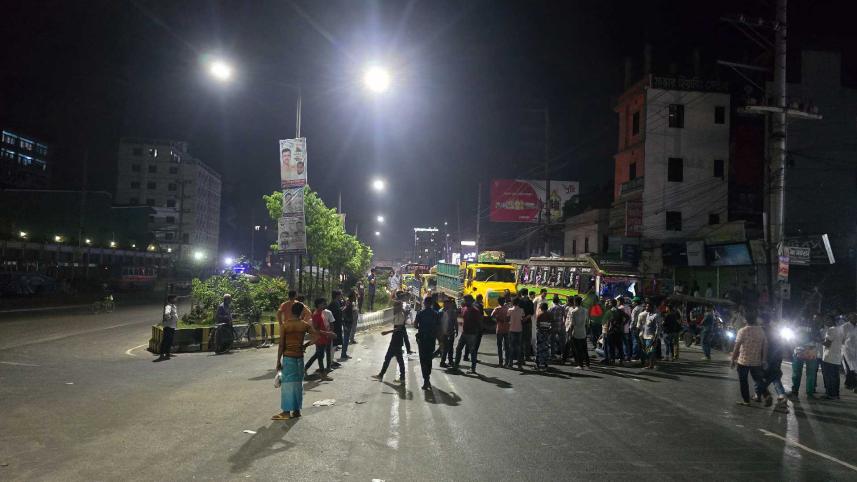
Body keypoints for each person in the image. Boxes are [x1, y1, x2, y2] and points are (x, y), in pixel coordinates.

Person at [272, 302, 320, 420]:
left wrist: (278, 361)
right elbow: (317, 336)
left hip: (289, 357)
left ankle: (286, 412)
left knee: (288, 385)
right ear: (301, 312)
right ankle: (297, 410)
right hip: (299, 357)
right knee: (298, 384)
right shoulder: (304, 325)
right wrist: (306, 345)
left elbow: (281, 345)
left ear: (291, 311)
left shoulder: (285, 325)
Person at [731, 315, 767, 406]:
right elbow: (765, 346)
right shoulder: (761, 330)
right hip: (756, 361)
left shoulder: (742, 331)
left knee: (743, 381)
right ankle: (766, 394)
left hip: (743, 361)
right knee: (758, 380)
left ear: (745, 320)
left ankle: (746, 401)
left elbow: (737, 346)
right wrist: (764, 359)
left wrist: (733, 359)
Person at [758, 315, 789, 412]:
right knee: (775, 377)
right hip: (776, 358)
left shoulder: (762, 330)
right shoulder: (778, 332)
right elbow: (783, 346)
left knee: (760, 378)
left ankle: (759, 394)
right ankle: (782, 396)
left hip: (766, 358)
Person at [372, 301, 408, 383]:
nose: (394, 308)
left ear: (399, 307)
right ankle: (401, 377)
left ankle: (381, 375)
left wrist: (387, 332)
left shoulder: (400, 315)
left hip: (397, 339)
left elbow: (399, 328)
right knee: (397, 359)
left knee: (390, 358)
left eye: (395, 306)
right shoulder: (398, 314)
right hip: (397, 339)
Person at [789, 313, 822, 398]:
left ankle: (795, 391)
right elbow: (818, 339)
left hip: (799, 350)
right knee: (810, 373)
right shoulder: (815, 327)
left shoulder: (798, 325)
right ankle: (809, 394)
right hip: (811, 351)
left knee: (797, 373)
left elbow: (792, 338)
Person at [414, 296, 441, 389]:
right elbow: (438, 328)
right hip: (431, 339)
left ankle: (426, 380)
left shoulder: (420, 313)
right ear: (432, 303)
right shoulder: (436, 314)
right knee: (429, 359)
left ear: (425, 303)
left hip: (422, 340)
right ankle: (427, 378)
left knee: (423, 360)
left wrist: (421, 328)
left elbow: (415, 325)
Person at [304, 298, 334, 378]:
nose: (325, 305)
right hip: (320, 338)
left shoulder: (321, 313)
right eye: (323, 303)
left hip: (323, 338)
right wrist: (328, 333)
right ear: (318, 305)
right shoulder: (317, 314)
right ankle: (323, 375)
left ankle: (305, 368)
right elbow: (316, 330)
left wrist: (328, 333)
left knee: (317, 355)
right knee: (320, 356)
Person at [455, 295, 481, 374]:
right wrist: (460, 330)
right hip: (465, 333)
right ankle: (456, 366)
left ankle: (473, 368)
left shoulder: (475, 310)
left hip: (471, 334)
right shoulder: (463, 309)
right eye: (465, 300)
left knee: (472, 351)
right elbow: (460, 320)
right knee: (458, 349)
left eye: (466, 300)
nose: (465, 301)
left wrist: (477, 332)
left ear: (471, 301)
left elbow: (478, 322)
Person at [821, 316, 845, 400]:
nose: (825, 321)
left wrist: (819, 340)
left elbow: (827, 343)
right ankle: (836, 394)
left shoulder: (831, 329)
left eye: (827, 320)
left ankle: (830, 394)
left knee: (829, 377)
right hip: (837, 357)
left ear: (831, 320)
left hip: (829, 357)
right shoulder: (841, 329)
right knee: (836, 377)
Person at [566, 296, 590, 368]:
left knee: (577, 349)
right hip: (583, 330)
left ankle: (580, 364)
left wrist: (570, 333)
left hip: (576, 331)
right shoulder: (585, 310)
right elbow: (587, 322)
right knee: (584, 348)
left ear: (575, 302)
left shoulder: (573, 311)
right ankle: (587, 363)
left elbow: (572, 324)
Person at [156, 295, 179, 362]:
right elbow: (166, 314)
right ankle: (162, 352)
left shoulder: (173, 306)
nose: (176, 300)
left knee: (170, 340)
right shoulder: (168, 306)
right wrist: (170, 318)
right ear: (171, 299)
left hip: (172, 325)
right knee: (166, 339)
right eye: (174, 299)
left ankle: (167, 352)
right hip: (168, 326)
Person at [464, 294, 485, 362]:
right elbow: (481, 317)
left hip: (468, 327)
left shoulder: (471, 305)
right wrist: (481, 327)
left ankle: (466, 356)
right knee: (476, 344)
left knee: (468, 342)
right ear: (480, 299)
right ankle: (474, 359)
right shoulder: (480, 306)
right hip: (476, 328)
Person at [641, 303, 661, 369]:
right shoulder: (648, 315)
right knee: (648, 351)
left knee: (650, 351)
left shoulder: (656, 316)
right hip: (645, 336)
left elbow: (658, 327)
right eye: (646, 306)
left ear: (652, 308)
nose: (646, 307)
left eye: (648, 306)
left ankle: (651, 364)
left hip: (651, 337)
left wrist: (655, 338)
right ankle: (651, 364)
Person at [439, 298, 458, 368]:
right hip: (443, 333)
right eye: (446, 304)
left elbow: (455, 322)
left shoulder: (452, 312)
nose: (447, 305)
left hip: (450, 332)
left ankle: (450, 361)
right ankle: (443, 361)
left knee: (450, 348)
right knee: (445, 348)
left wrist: (456, 330)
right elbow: (438, 323)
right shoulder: (440, 312)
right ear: (444, 304)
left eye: (449, 304)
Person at [493, 296, 511, 368]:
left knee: (499, 346)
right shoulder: (508, 309)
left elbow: (492, 316)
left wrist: (497, 321)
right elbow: (510, 318)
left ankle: (501, 362)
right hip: (507, 329)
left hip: (499, 329)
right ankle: (507, 362)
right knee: (507, 346)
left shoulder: (497, 309)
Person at [535, 302, 553, 370]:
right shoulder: (549, 314)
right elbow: (551, 323)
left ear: (541, 308)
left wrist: (540, 330)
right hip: (547, 332)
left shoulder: (540, 314)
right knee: (546, 347)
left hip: (540, 333)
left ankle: (538, 363)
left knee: (539, 348)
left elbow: (537, 324)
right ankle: (545, 363)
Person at [518, 289, 535, 361]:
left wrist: (522, 318)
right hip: (528, 322)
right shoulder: (530, 302)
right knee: (527, 340)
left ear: (521, 293)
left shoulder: (519, 301)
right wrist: (526, 318)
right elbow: (531, 313)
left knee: (520, 340)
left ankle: (520, 356)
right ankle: (527, 356)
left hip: (520, 322)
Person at [340, 292, 358, 360]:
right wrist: (346, 321)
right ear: (352, 297)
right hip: (347, 323)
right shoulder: (349, 304)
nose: (356, 297)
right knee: (346, 340)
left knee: (346, 339)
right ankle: (343, 354)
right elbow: (343, 312)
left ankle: (344, 353)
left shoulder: (348, 302)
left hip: (348, 323)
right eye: (355, 296)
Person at [508, 297, 524, 369]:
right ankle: (519, 365)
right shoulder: (521, 310)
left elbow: (507, 317)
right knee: (519, 347)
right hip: (519, 329)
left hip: (511, 329)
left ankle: (510, 364)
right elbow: (522, 317)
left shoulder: (510, 310)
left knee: (511, 347)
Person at [549, 295, 567, 361]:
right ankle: (563, 354)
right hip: (560, 325)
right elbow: (565, 316)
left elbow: (549, 317)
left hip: (553, 326)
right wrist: (563, 323)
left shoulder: (551, 308)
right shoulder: (561, 308)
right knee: (562, 341)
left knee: (552, 341)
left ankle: (552, 355)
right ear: (558, 301)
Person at [843, 314, 857, 392]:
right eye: (854, 317)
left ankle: (848, 383)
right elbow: (842, 338)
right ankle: (853, 385)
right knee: (851, 368)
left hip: (855, 350)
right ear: (850, 318)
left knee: (854, 368)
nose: (855, 319)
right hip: (847, 350)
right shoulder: (845, 326)